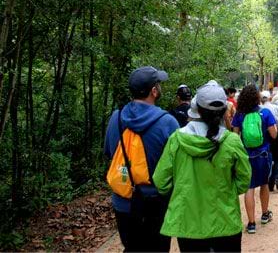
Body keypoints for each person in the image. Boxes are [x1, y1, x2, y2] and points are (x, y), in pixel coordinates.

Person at [153, 80, 251, 252]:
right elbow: (244, 181)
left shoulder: (176, 140)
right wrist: (225, 191)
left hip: (189, 224)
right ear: (224, 111)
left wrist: (183, 192)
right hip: (225, 221)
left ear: (196, 109)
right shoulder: (231, 142)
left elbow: (161, 182)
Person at [104, 66, 179, 252]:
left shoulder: (117, 117)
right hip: (156, 203)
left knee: (131, 248)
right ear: (153, 91)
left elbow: (110, 153)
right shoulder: (167, 122)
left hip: (123, 200)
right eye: (158, 84)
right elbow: (178, 167)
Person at [232, 85, 278, 234]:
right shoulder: (265, 112)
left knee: (249, 187)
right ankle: (265, 214)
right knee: (264, 183)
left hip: (246, 156)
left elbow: (235, 137)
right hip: (263, 155)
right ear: (257, 97)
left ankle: (251, 223)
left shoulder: (239, 115)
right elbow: (274, 135)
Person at [261, 91, 278, 192]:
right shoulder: (277, 108)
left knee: (267, 156)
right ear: (270, 98)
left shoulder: (259, 109)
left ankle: (268, 181)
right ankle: (277, 177)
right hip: (277, 132)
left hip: (264, 134)